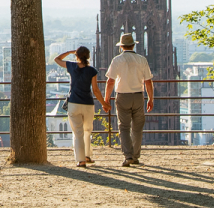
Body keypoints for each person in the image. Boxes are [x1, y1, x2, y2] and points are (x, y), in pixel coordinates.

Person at [103, 32, 154, 166]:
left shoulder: (117, 60)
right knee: (137, 128)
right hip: (138, 96)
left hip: (122, 96)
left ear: (121, 47)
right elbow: (148, 81)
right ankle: (136, 157)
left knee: (124, 127)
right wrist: (150, 99)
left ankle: (128, 156)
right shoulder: (142, 59)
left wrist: (106, 99)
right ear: (133, 45)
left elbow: (110, 82)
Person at [52, 46, 106, 166]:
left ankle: (81, 160)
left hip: (74, 103)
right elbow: (96, 90)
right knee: (87, 131)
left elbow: (57, 59)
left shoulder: (72, 66)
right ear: (88, 57)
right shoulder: (92, 70)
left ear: (77, 56)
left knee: (78, 132)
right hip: (87, 104)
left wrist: (70, 52)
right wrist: (104, 103)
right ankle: (87, 156)